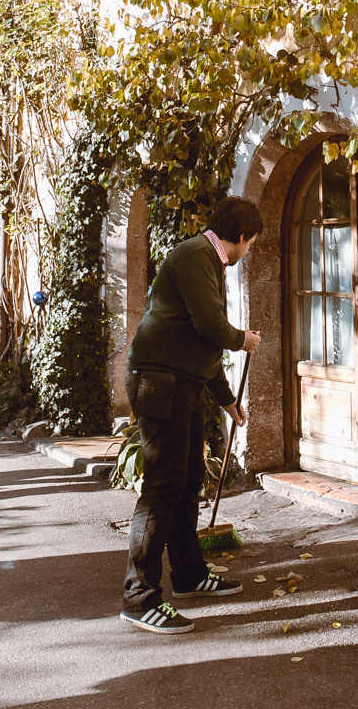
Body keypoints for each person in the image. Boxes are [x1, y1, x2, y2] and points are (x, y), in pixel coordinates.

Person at [119, 196, 263, 635]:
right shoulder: (197, 255)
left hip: (182, 383)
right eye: (251, 243)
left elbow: (200, 344)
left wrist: (226, 400)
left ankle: (187, 575)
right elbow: (211, 328)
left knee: (187, 479)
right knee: (164, 486)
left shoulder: (206, 260)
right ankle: (138, 597)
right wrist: (245, 339)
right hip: (160, 383)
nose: (249, 251)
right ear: (241, 238)